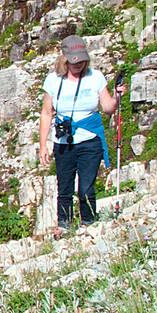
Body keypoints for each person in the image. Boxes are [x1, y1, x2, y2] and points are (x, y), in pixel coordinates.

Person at [38, 35, 126, 237]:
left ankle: (88, 222)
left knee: (86, 187)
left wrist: (117, 96)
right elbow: (46, 112)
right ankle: (64, 224)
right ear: (65, 59)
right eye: (73, 60)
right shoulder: (53, 80)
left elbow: (108, 108)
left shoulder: (95, 77)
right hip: (63, 141)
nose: (77, 64)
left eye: (80, 60)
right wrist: (43, 145)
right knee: (64, 186)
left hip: (89, 140)